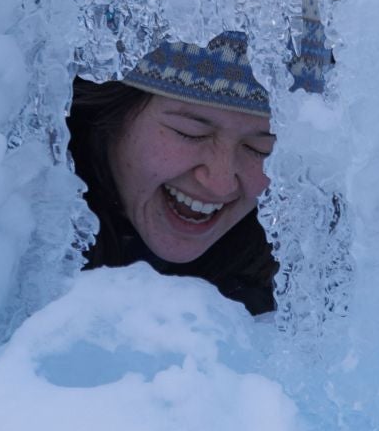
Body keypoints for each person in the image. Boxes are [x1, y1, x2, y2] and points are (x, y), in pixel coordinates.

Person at [66, 32, 280, 315]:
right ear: (113, 115)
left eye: (258, 148)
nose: (220, 182)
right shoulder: (11, 251)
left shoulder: (297, 303)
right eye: (191, 133)